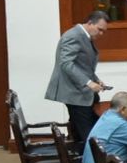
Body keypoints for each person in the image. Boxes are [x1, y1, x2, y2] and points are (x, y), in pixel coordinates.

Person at [46, 10, 109, 144]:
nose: (101, 34)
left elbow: (82, 65)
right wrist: (88, 83)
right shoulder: (74, 36)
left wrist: (95, 79)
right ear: (90, 23)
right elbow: (66, 64)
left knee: (79, 128)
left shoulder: (84, 36)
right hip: (74, 92)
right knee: (88, 133)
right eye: (100, 29)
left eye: (104, 31)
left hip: (80, 91)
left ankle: (79, 156)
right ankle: (91, 162)